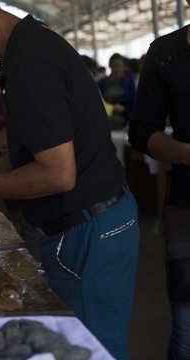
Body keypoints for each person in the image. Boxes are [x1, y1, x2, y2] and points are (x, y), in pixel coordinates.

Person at [0, 1, 138, 359]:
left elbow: (56, 173)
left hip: (89, 229)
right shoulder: (25, 52)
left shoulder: (32, 61)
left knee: (90, 349)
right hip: (88, 224)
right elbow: (24, 158)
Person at [128, 14, 190, 360]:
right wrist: (183, 152)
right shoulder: (166, 53)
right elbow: (142, 130)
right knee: (187, 333)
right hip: (188, 202)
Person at [97, 53, 136, 126]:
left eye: (120, 66)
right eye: (114, 66)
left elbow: (133, 100)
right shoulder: (101, 83)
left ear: (124, 67)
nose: (117, 69)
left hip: (125, 116)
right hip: (108, 115)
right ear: (110, 66)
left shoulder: (128, 81)